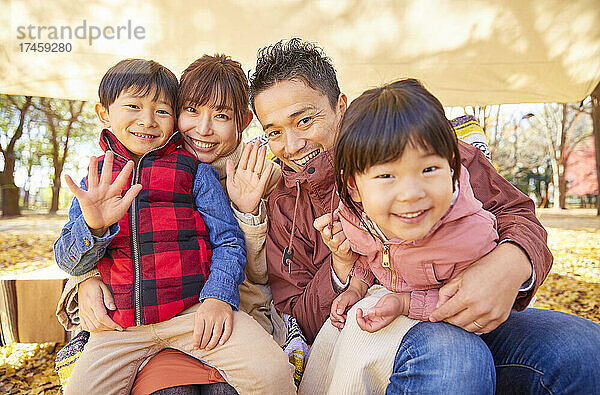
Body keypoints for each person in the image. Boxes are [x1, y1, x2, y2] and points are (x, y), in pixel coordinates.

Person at [249, 38, 600, 393]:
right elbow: (300, 319)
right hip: (383, 335)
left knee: (582, 349)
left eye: (305, 120)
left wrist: (512, 262)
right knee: (455, 359)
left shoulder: (417, 143)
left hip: (471, 309)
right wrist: (342, 271)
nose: (291, 145)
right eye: (274, 132)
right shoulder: (285, 207)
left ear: (340, 106)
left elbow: (515, 212)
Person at [54, 58, 295, 395]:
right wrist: (92, 238)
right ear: (104, 113)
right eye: (134, 107)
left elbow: (229, 243)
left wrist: (217, 297)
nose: (148, 121)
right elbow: (67, 257)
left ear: (243, 122)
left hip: (193, 312)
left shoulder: (198, 171)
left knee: (271, 374)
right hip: (122, 326)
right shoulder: (97, 181)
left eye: (162, 111)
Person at [300, 78, 500, 392]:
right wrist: (356, 286)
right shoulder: (356, 215)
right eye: (386, 175)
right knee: (340, 340)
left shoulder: (470, 236)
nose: (410, 194)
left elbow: (470, 300)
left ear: (451, 166)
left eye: (429, 170)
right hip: (386, 300)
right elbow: (373, 252)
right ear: (354, 185)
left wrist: (405, 304)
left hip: (446, 318)